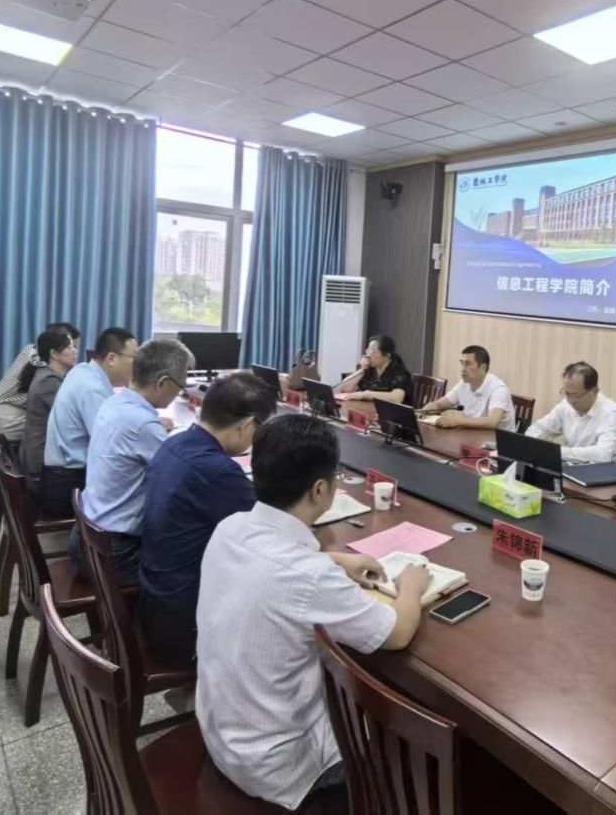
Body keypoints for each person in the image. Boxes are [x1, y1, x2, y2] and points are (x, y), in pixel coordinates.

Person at [196, 414, 429, 809]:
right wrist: (412, 585)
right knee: (412, 742)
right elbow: (397, 633)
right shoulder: (308, 576)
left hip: (223, 737)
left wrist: (335, 559)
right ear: (320, 489)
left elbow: (276, 568)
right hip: (283, 768)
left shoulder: (230, 529)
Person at [138, 372, 277, 666]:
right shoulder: (217, 471)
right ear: (247, 425)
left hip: (156, 598)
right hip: (185, 621)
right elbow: (273, 537)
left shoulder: (175, 443)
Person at [67, 337, 192, 585]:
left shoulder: (114, 402)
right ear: (163, 383)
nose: (179, 393)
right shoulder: (142, 424)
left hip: (86, 538)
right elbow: (182, 480)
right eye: (180, 386)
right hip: (115, 554)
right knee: (199, 559)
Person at [42, 327, 137, 516]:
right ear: (112, 358)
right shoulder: (93, 389)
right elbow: (111, 447)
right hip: (68, 484)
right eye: (134, 357)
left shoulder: (83, 370)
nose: (138, 364)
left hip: (60, 475)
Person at [18, 328, 79, 517]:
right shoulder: (48, 381)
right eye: (69, 347)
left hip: (39, 452)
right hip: (40, 462)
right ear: (54, 353)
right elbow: (73, 419)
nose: (75, 350)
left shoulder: (49, 375)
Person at [0, 321, 80, 446]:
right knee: (64, 430)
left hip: (4, 415)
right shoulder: (41, 364)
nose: (75, 351)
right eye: (70, 346)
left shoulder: (32, 350)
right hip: (11, 421)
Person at [525, 362, 616, 464]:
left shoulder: (611, 413)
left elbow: (602, 454)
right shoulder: (565, 405)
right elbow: (535, 429)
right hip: (574, 465)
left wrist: (557, 451)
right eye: (567, 393)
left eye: (577, 395)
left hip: (607, 470)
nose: (571, 400)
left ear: (595, 391)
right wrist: (541, 442)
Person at [419, 345, 516, 431]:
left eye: (468, 364)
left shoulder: (498, 389)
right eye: (462, 363)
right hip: (473, 434)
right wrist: (421, 414)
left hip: (498, 442)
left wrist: (457, 421)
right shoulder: (464, 384)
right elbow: (439, 405)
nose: (463, 369)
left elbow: (492, 422)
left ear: (483, 367)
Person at [334, 334, 414, 404]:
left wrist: (365, 394)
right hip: (369, 410)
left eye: (372, 351)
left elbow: (396, 398)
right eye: (368, 350)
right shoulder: (370, 369)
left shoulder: (400, 372)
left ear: (387, 355)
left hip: (392, 414)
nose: (368, 355)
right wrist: (362, 369)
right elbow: (344, 388)